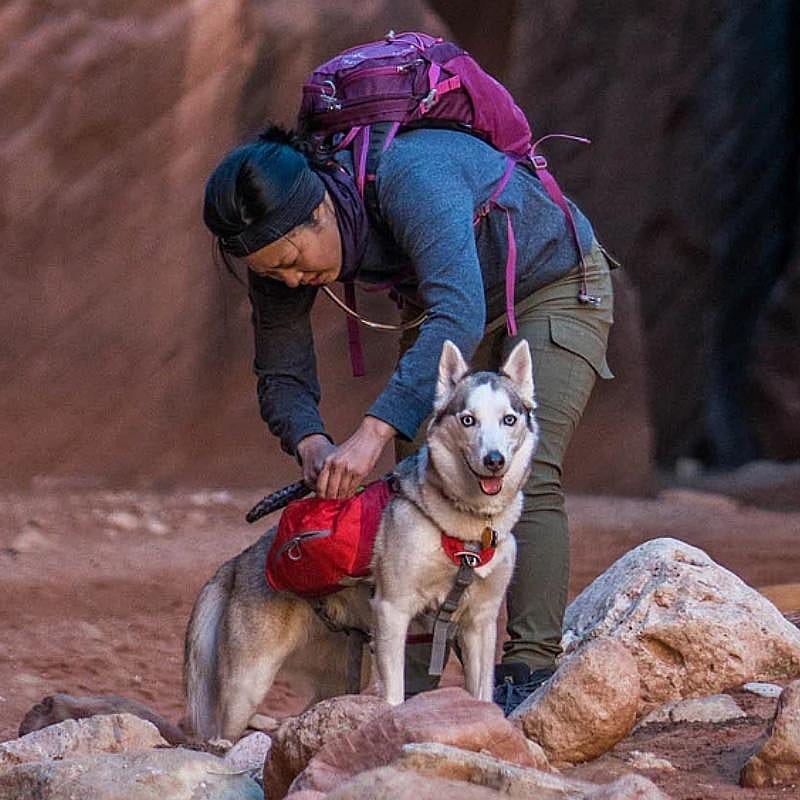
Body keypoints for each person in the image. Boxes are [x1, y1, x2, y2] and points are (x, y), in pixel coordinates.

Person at [203, 123, 615, 713]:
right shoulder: (274, 247)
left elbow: (459, 311)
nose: (292, 280)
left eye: (292, 261)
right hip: (449, 305)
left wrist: (372, 431)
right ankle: (410, 692)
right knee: (420, 473)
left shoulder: (411, 177)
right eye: (273, 274)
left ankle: (527, 673)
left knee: (524, 465)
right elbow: (281, 371)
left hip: (551, 281)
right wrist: (312, 443)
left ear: (319, 210)